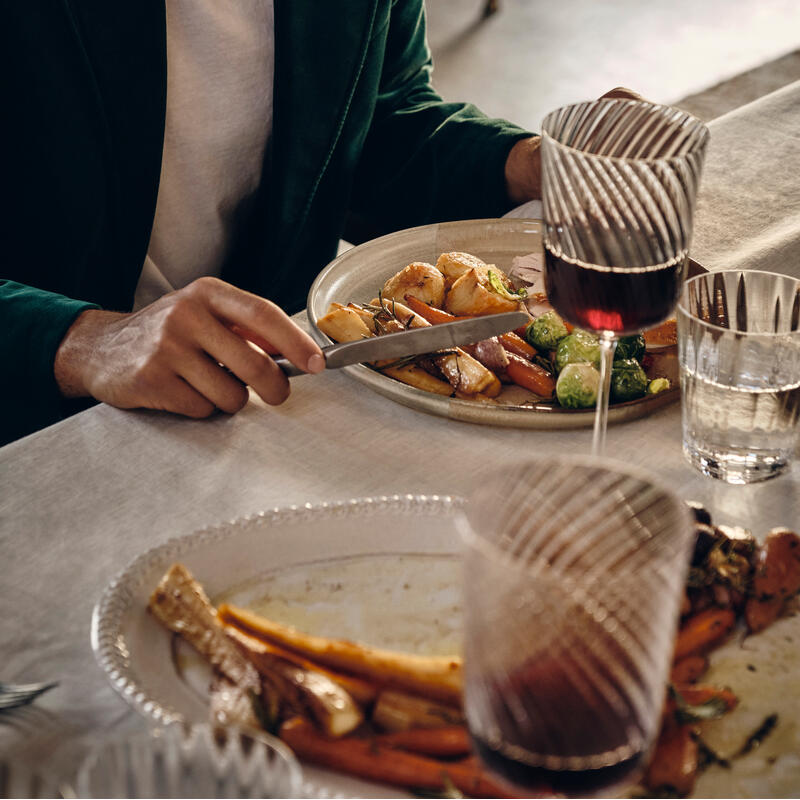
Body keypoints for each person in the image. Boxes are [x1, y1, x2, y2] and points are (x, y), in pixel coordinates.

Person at [1, 1, 627, 446]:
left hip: (280, 395)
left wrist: (525, 163)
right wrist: (78, 342)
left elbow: (373, 120)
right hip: (43, 426)